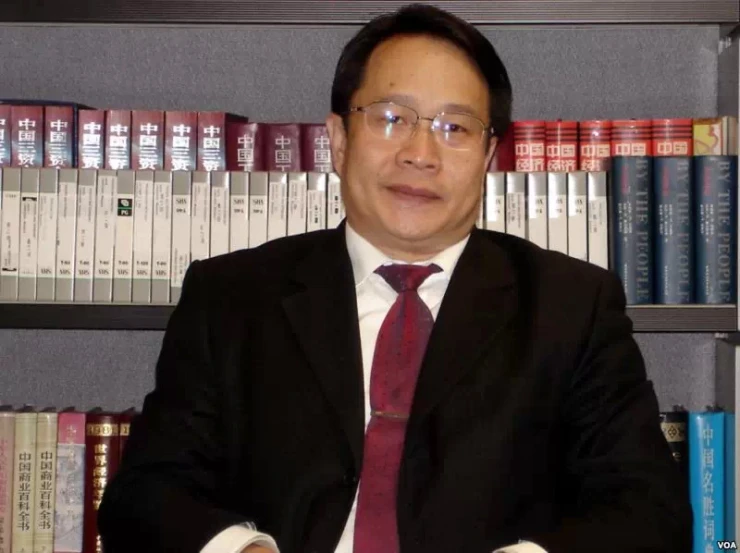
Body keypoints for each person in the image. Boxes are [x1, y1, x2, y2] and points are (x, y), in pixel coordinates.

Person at [97, 4, 693, 553]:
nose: (420, 153)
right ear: (337, 140)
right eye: (391, 118)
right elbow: (144, 497)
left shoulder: (570, 306)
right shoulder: (231, 298)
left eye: (455, 128)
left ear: (488, 159)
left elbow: (650, 509)